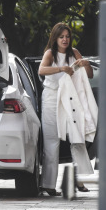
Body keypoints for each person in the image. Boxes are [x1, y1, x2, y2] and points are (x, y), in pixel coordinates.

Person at [38, 22, 95, 196]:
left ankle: (79, 180)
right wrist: (61, 68)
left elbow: (90, 75)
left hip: (71, 99)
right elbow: (42, 70)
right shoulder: (50, 53)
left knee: (78, 138)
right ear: (55, 38)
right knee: (51, 141)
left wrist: (85, 64)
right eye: (61, 36)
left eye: (67, 36)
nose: (65, 39)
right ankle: (48, 184)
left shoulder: (75, 52)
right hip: (52, 98)